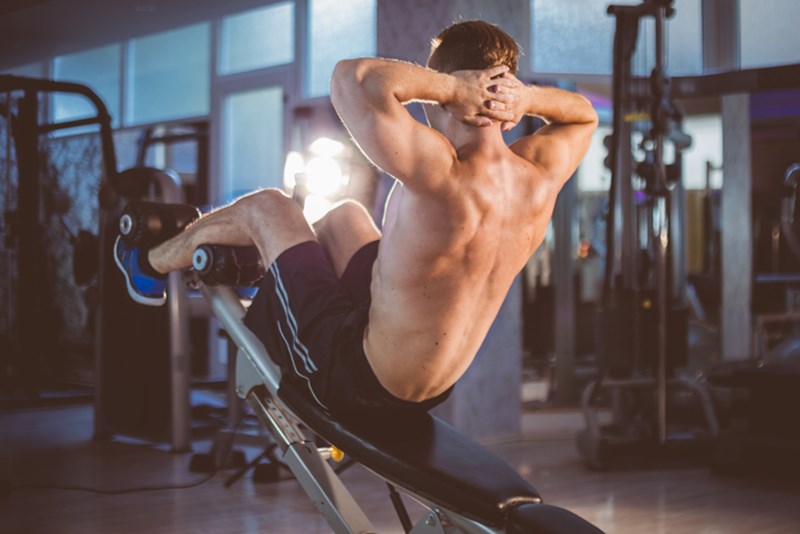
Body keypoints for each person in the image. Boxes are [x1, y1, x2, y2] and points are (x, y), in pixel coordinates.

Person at [114, 20, 597, 415]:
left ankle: (148, 265)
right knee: (345, 216)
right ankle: (267, 268)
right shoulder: (537, 174)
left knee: (269, 206)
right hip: (430, 385)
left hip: (357, 377)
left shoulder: (439, 169)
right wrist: (525, 99)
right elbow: (583, 116)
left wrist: (448, 87)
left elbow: (352, 78)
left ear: (453, 96)